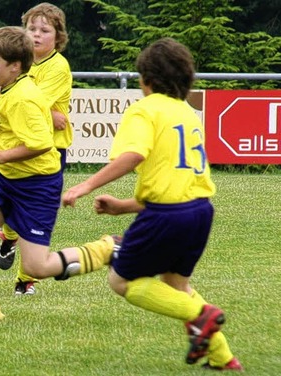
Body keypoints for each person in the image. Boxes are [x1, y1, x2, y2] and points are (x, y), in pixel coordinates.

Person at [62, 38, 243, 371]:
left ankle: (204, 315)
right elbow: (172, 182)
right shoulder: (187, 113)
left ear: (146, 79)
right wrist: (123, 207)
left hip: (167, 216)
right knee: (176, 285)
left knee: (122, 281)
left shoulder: (145, 109)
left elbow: (133, 156)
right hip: (200, 212)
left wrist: (85, 184)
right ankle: (223, 358)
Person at [0, 26, 115, 321]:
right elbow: (17, 134)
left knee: (36, 267)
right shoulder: (10, 88)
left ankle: (107, 249)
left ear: (14, 66)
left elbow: (42, 143)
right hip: (6, 179)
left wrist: (0, 154)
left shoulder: (24, 97)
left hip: (36, 186)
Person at [0, 2, 73, 295]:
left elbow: (40, 117)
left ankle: (26, 278)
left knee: (35, 251)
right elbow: (32, 115)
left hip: (45, 155)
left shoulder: (54, 68)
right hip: (14, 157)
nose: (37, 35)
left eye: (45, 30)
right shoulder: (14, 75)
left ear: (58, 36)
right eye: (32, 29)